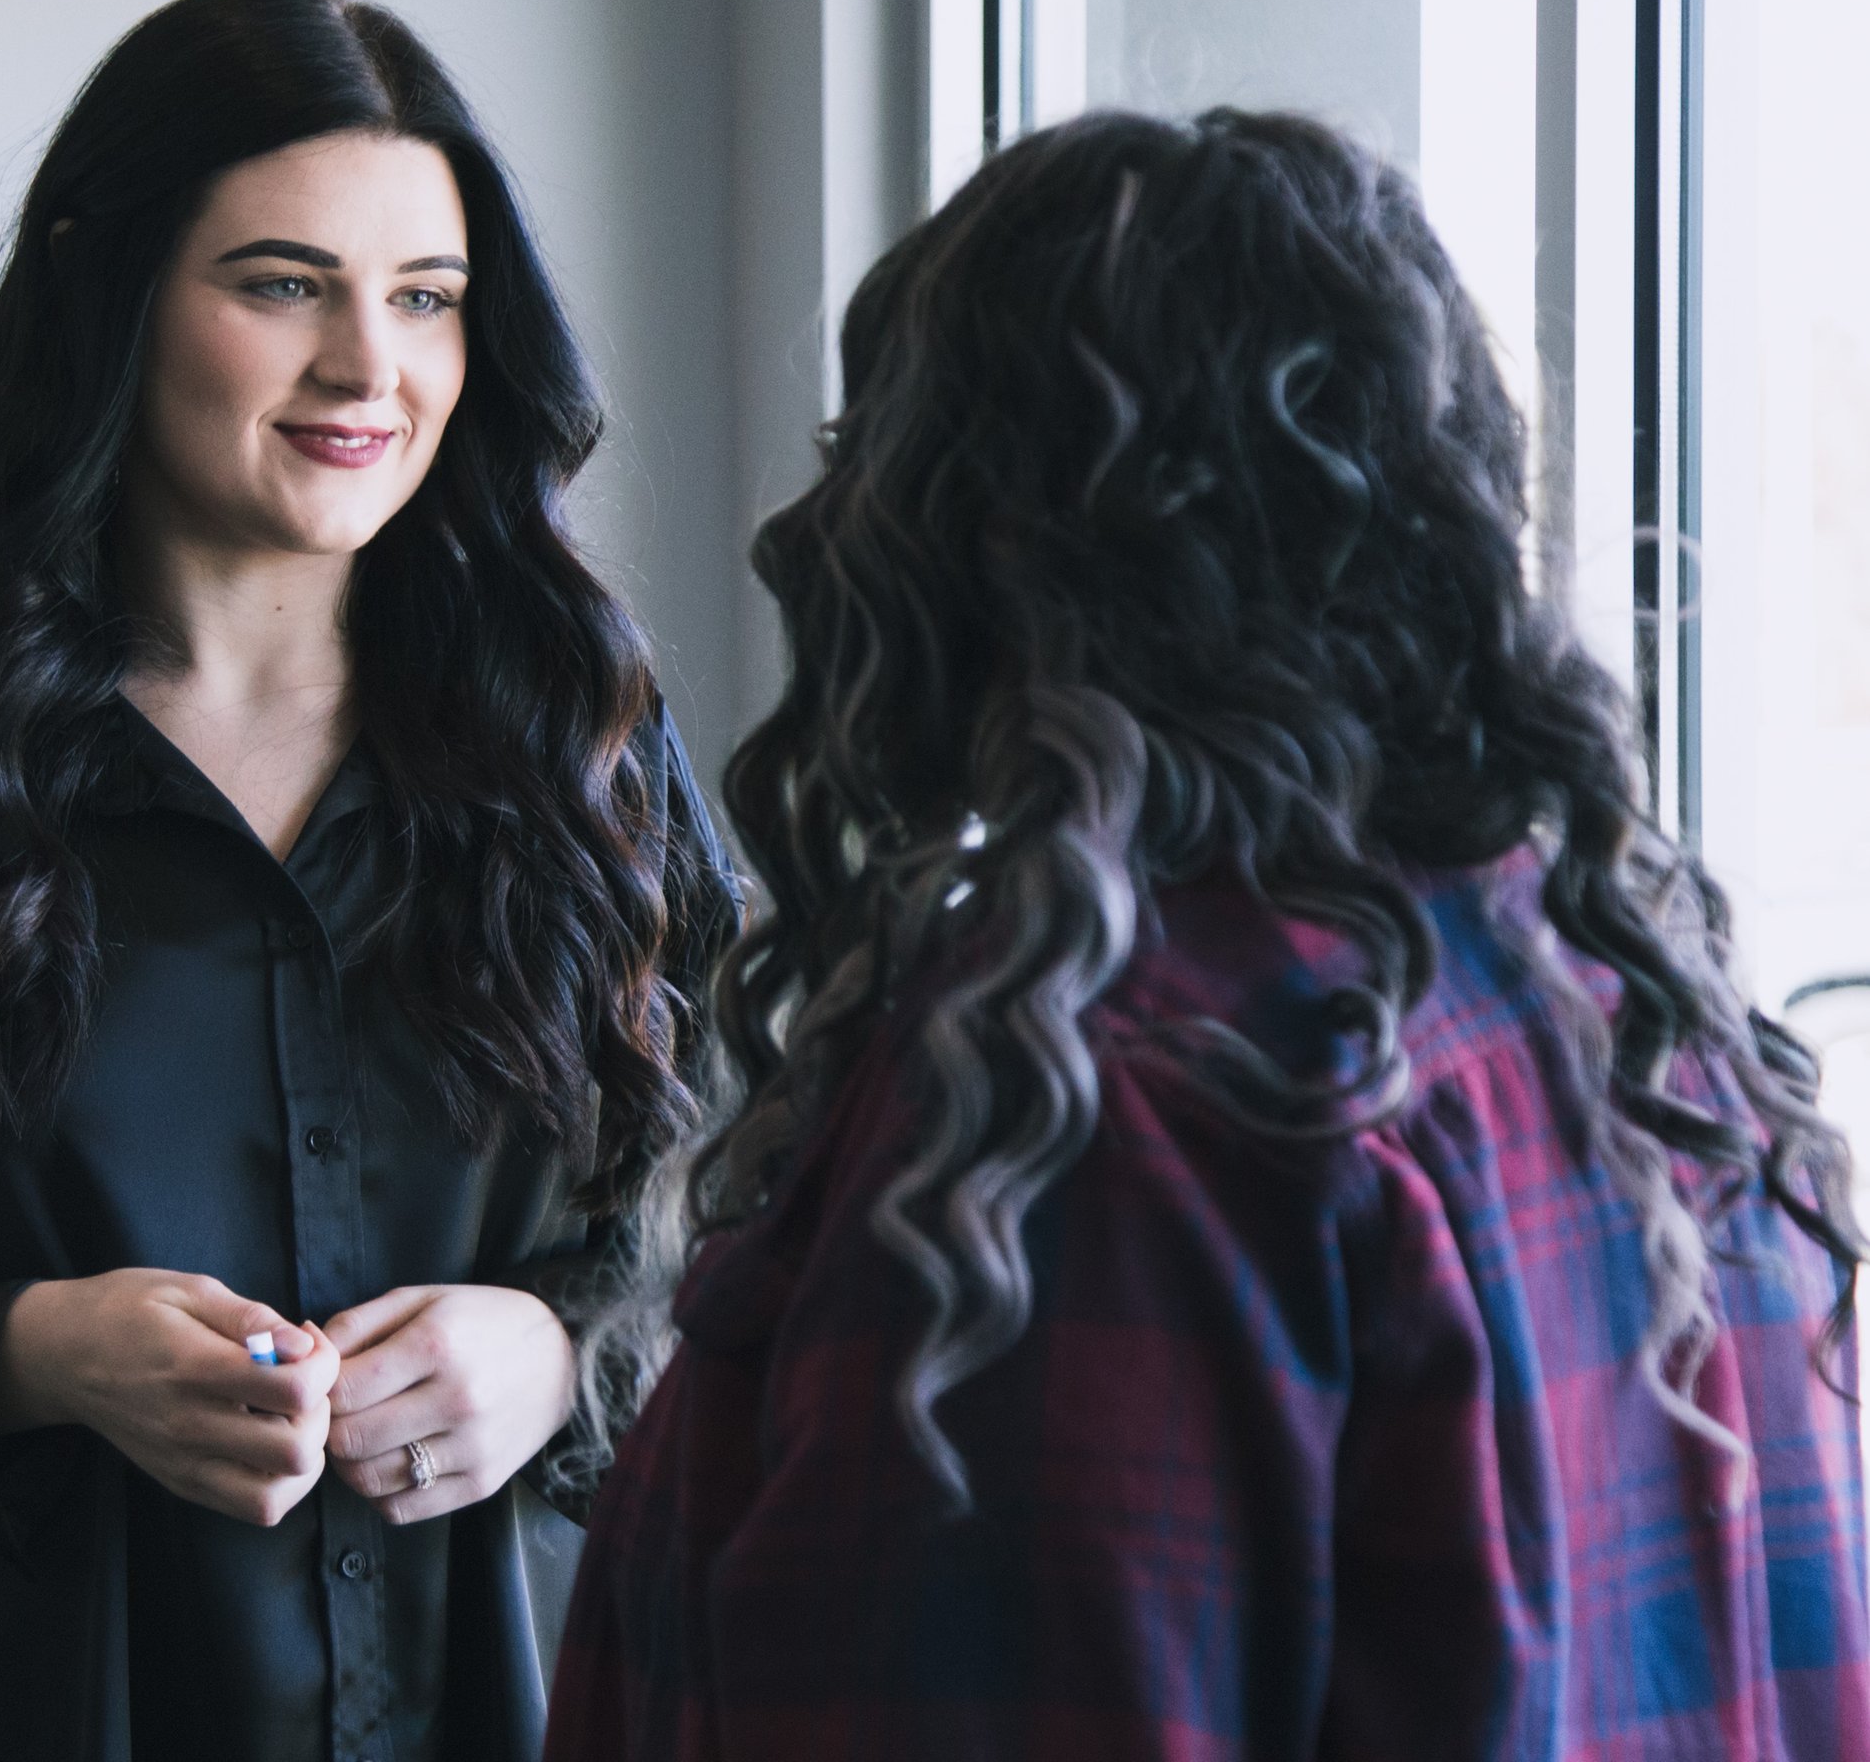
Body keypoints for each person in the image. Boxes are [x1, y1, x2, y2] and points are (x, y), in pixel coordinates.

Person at [546, 109, 1870, 1758]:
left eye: (871, 448)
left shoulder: (1079, 1118)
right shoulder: (1655, 1033)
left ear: (1001, 536)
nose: (809, 531)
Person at [0, 0, 737, 1762]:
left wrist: (557, 1357)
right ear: (112, 293)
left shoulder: (588, 755)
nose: (370, 366)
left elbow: (763, 1239)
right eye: (284, 284)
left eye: (426, 298)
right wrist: (29, 1353)